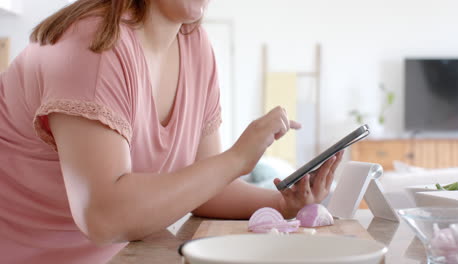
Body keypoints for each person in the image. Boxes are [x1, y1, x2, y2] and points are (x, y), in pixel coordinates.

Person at [0, 0, 343, 263]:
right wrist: (238, 157)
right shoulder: (93, 45)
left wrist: (283, 204)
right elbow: (103, 216)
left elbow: (206, 190)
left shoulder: (194, 44)